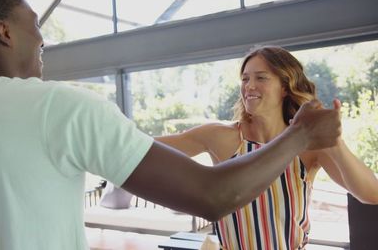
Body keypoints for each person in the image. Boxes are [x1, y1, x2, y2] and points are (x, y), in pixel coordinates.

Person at [0, 0, 341, 249]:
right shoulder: (57, 106)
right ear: (5, 32)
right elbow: (214, 196)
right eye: (35, 25)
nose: (43, 39)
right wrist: (301, 132)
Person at [156, 46, 378, 249]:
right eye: (245, 79)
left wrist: (335, 142)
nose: (249, 86)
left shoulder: (307, 147)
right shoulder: (220, 137)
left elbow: (371, 194)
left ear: (285, 87)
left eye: (261, 78)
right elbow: (147, 150)